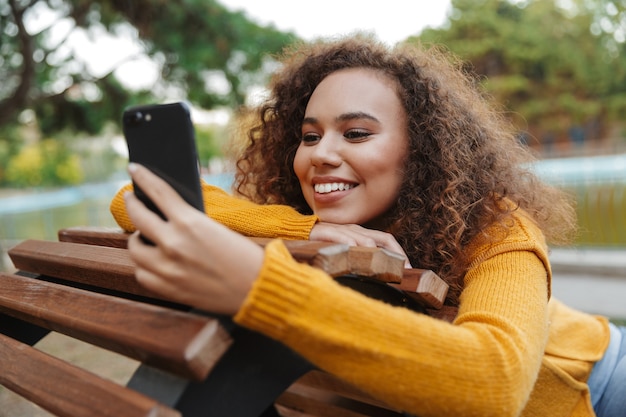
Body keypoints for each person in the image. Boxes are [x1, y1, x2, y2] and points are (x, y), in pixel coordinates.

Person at [110, 35, 624, 417]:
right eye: (309, 137)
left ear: (421, 150)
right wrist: (302, 230)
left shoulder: (498, 230)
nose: (321, 155)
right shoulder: (311, 216)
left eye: (356, 133)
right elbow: (130, 197)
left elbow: (495, 382)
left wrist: (259, 286)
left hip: (597, 385)